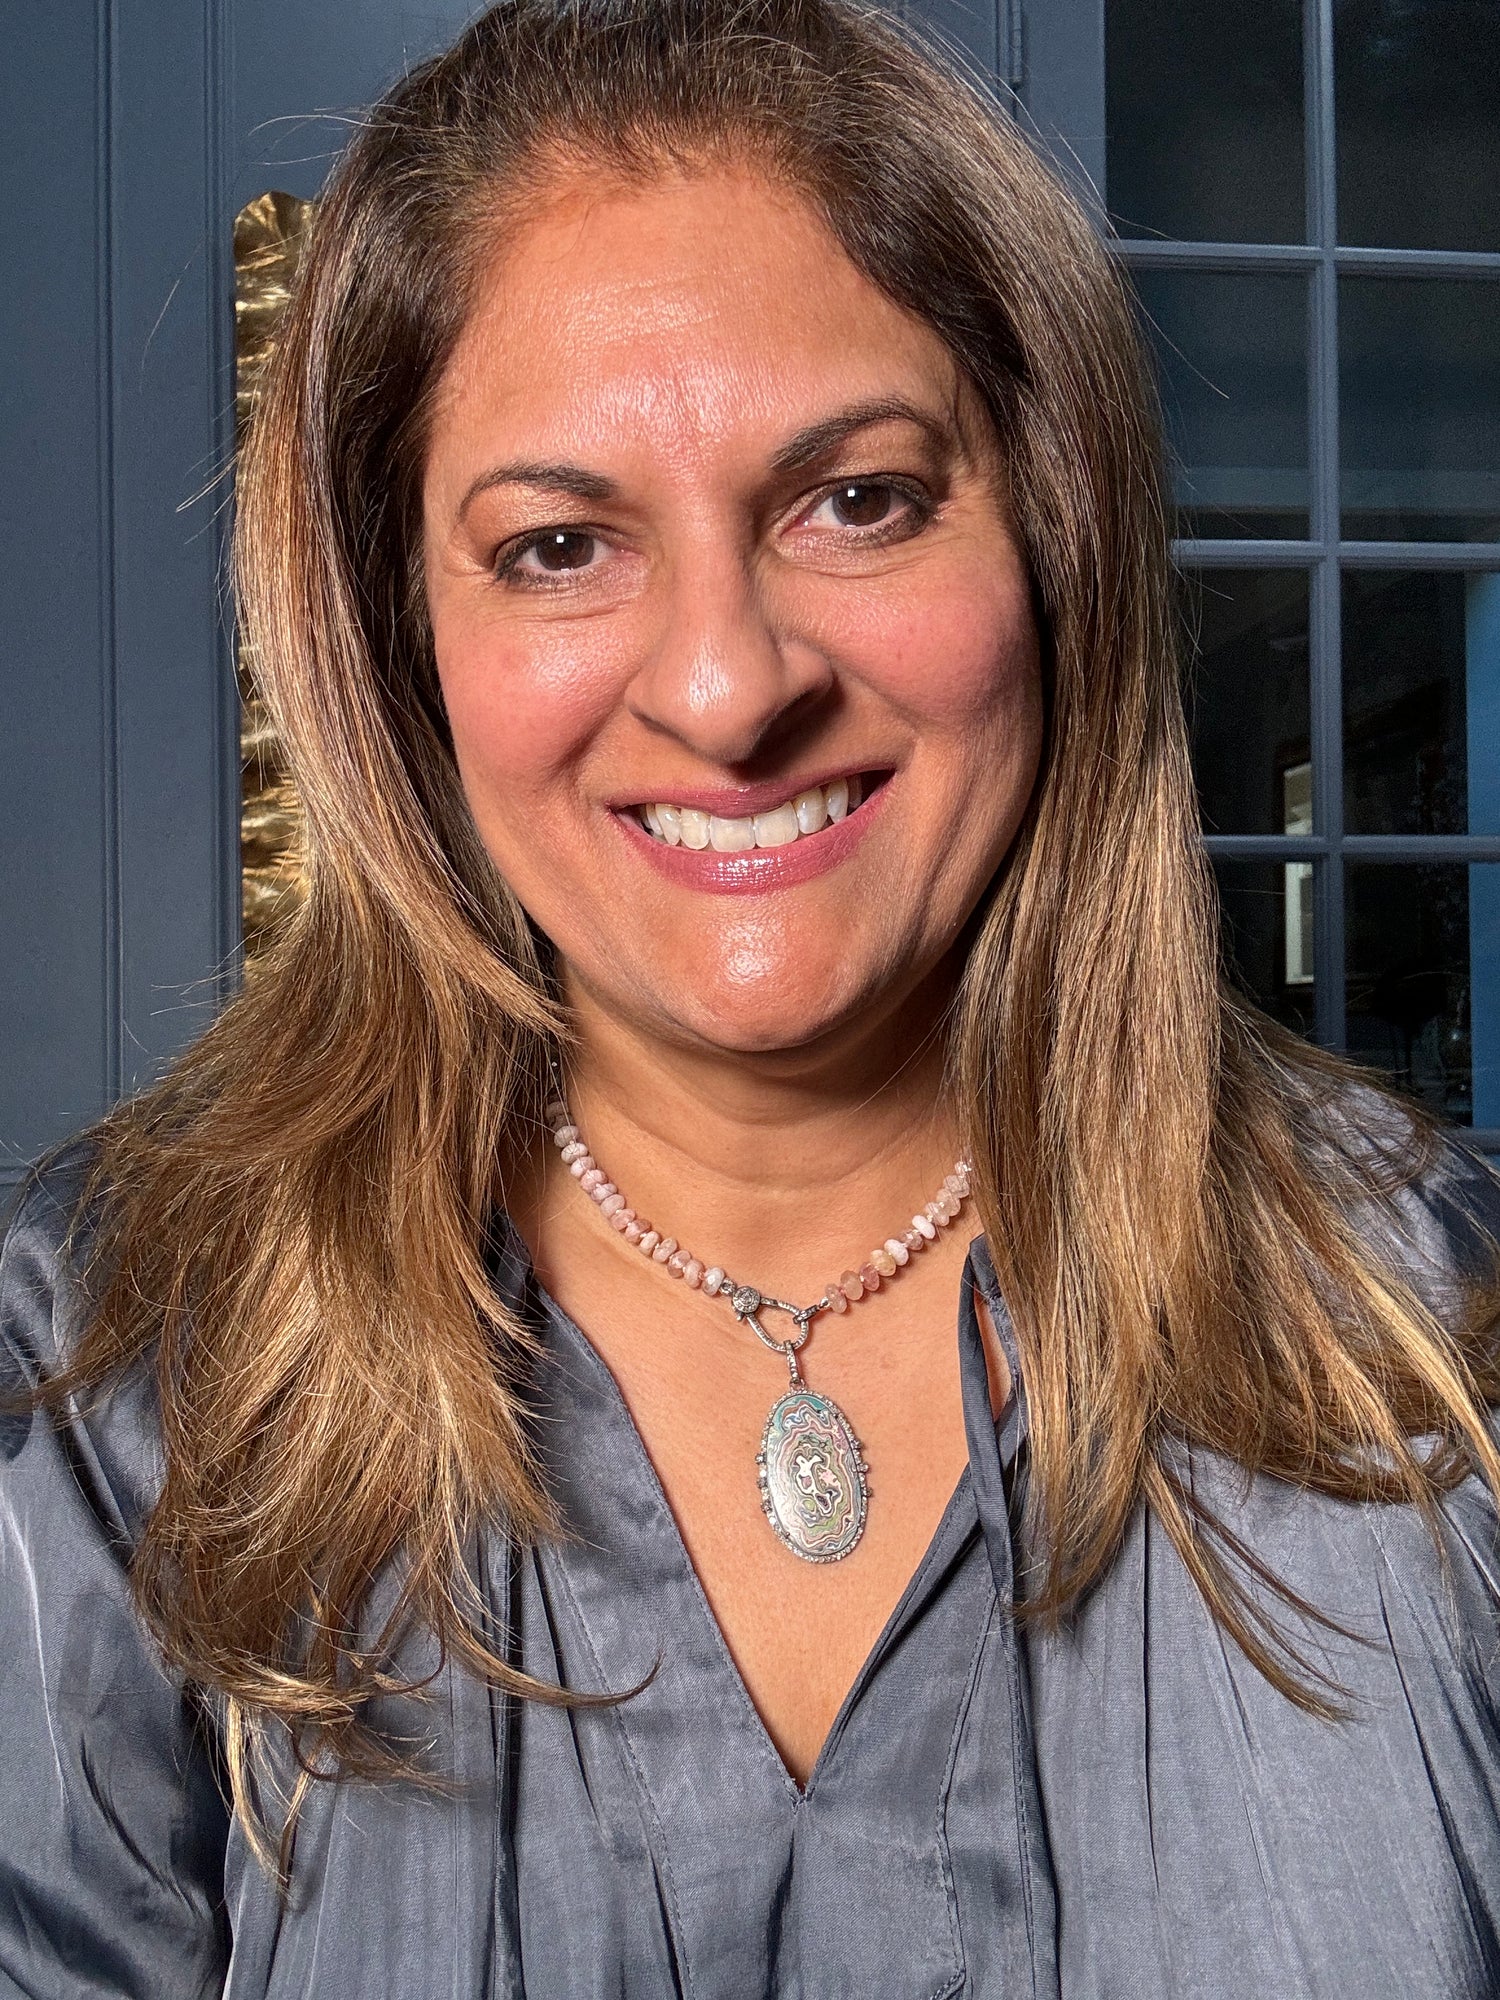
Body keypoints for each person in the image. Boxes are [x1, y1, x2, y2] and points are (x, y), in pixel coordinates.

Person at [4, 1, 1500, 1993]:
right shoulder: (96, 1380)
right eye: (556, 544)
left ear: (1056, 539)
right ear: (399, 643)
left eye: (860, 499)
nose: (724, 686)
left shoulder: (1444, 1326)